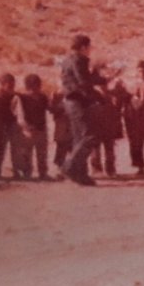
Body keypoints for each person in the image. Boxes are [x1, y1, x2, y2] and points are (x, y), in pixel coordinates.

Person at [60, 34, 111, 186]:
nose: (90, 50)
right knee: (89, 136)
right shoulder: (79, 60)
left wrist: (101, 79)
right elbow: (84, 82)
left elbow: (83, 79)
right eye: (89, 47)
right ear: (83, 47)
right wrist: (100, 92)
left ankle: (81, 175)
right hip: (78, 101)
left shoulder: (67, 60)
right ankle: (69, 166)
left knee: (79, 138)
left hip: (71, 101)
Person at [12, 74, 51, 180]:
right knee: (27, 153)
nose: (36, 88)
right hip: (28, 129)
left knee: (41, 153)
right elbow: (15, 111)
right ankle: (28, 173)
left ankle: (41, 173)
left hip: (40, 128)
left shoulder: (42, 97)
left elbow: (50, 108)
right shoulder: (22, 98)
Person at [89, 77, 129, 177]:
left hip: (103, 127)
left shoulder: (96, 96)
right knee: (102, 149)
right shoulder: (108, 96)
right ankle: (105, 170)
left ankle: (103, 170)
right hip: (103, 127)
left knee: (102, 149)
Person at [49, 88, 71, 177]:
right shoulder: (57, 99)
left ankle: (70, 170)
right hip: (62, 128)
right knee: (61, 149)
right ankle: (59, 170)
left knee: (73, 150)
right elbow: (51, 109)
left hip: (72, 129)